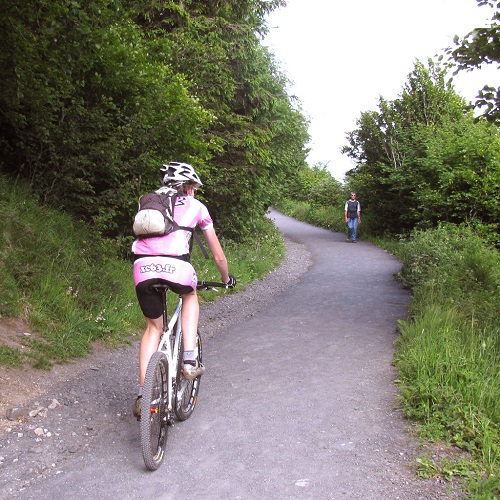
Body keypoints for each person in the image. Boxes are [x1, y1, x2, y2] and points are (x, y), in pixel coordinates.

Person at [131, 161, 236, 419]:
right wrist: (226, 278)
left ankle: (145, 396)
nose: (195, 192)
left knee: (152, 328)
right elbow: (218, 255)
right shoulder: (197, 207)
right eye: (194, 188)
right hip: (177, 267)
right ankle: (189, 360)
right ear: (188, 187)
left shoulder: (148, 201)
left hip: (142, 268)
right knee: (190, 296)